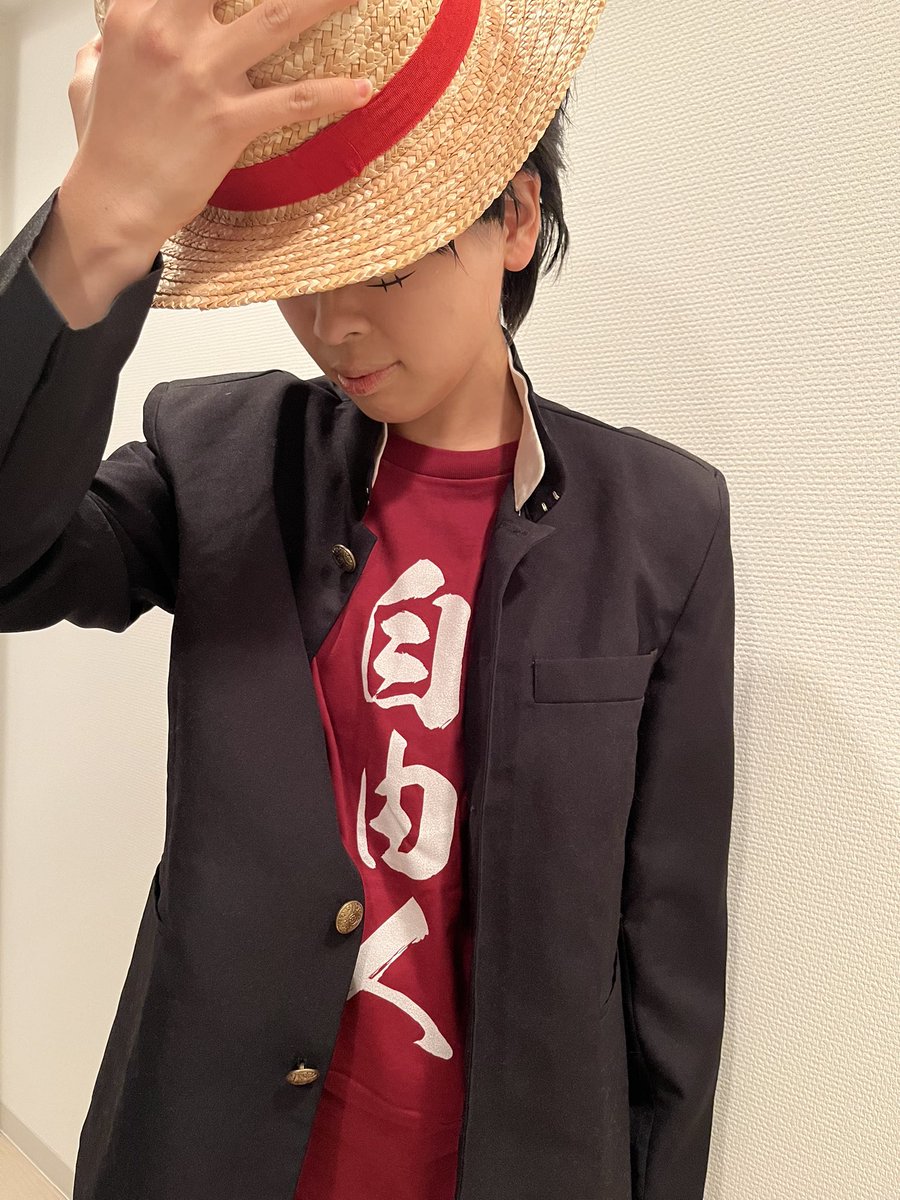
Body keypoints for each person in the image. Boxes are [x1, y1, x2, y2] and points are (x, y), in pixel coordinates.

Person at [0, 3, 735, 1199]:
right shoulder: (222, 456)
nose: (335, 327)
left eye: (384, 264)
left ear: (516, 218)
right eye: (302, 278)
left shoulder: (662, 523)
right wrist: (93, 236)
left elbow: (669, 943)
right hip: (213, 1154)